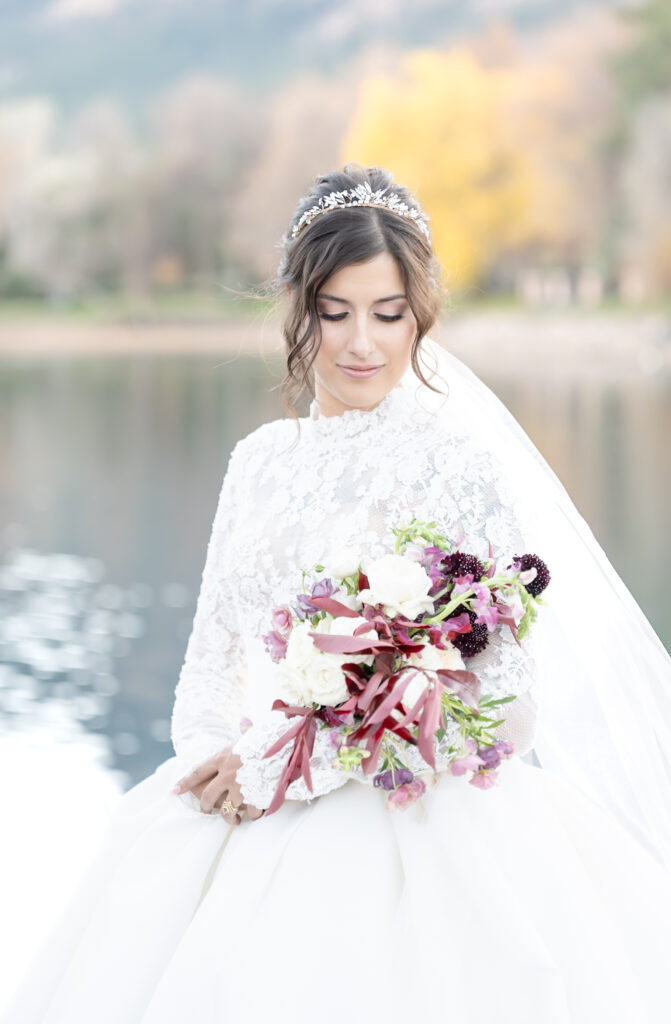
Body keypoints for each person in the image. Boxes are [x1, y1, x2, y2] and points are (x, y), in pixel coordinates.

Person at [4, 163, 671, 1024]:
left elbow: (507, 706)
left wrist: (302, 762)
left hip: (417, 823)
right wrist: (215, 760)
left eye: (388, 314)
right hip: (243, 803)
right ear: (296, 306)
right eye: (335, 313)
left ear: (418, 316)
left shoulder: (455, 466)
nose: (363, 343)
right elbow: (209, 666)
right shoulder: (257, 463)